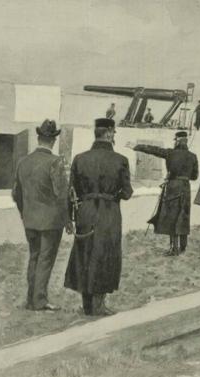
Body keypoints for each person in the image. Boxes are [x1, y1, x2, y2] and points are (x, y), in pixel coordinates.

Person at [64, 118, 133, 316]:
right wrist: (113, 196)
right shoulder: (120, 160)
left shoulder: (79, 158)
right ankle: (99, 305)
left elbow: (71, 192)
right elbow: (127, 192)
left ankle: (88, 306)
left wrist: (69, 218)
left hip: (85, 211)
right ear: (110, 133)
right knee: (106, 255)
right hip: (109, 211)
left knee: (85, 254)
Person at [12, 119, 71, 311]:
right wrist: (68, 219)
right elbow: (61, 194)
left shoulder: (23, 162)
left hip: (30, 220)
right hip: (51, 221)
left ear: (38, 138)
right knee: (46, 259)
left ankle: (31, 299)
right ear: (53, 141)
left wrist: (24, 213)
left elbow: (16, 193)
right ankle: (40, 300)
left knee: (34, 257)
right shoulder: (55, 162)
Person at [126, 131, 198, 255]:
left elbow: (154, 150)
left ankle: (174, 248)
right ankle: (183, 247)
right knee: (183, 216)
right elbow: (194, 176)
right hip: (185, 188)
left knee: (172, 217)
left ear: (178, 141)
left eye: (175, 140)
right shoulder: (193, 156)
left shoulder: (170, 153)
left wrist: (136, 147)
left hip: (172, 187)